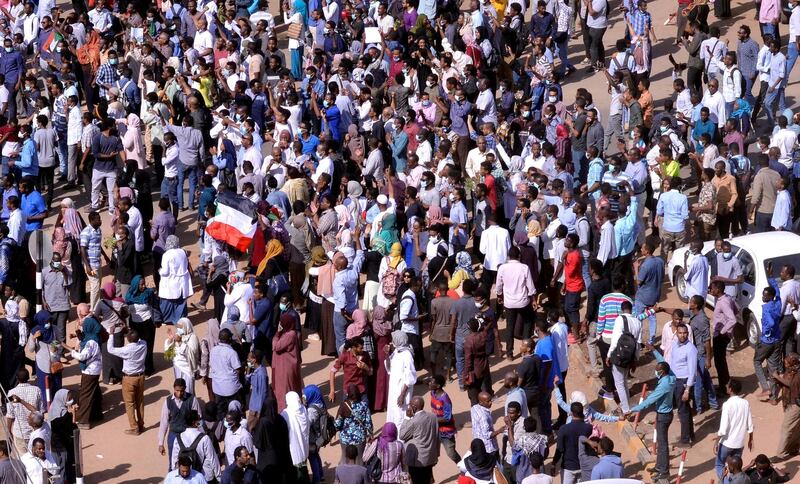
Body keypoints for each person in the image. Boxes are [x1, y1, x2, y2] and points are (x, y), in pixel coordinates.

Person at [625, 350, 676, 482]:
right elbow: (662, 361)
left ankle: (664, 472)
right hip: (665, 414)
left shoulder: (663, 386)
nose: (656, 371)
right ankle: (659, 467)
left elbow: (649, 401)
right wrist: (653, 350)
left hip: (663, 416)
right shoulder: (671, 376)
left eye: (657, 370)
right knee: (661, 442)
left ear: (662, 372)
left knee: (663, 444)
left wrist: (633, 409)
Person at [65, 304, 103, 430]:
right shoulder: (93, 335)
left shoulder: (91, 342)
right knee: (94, 391)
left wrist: (72, 352)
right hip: (95, 369)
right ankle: (97, 414)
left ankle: (83, 420)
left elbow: (83, 356)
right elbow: (84, 338)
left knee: (85, 395)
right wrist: (77, 332)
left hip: (90, 370)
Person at [107, 327, 147, 435]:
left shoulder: (126, 350)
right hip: (141, 377)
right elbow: (140, 339)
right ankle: (141, 424)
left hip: (129, 378)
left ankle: (134, 428)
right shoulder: (143, 344)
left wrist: (111, 334)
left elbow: (110, 349)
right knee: (140, 402)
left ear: (128, 339)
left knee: (129, 404)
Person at [713, 379, 753, 480]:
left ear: (730, 389)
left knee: (719, 465)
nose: (726, 385)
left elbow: (723, 428)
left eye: (727, 385)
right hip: (739, 443)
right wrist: (750, 439)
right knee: (735, 468)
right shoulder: (745, 403)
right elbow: (750, 424)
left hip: (727, 443)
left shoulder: (727, 404)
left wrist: (716, 442)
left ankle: (727, 482)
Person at [157, 379, 203, 465]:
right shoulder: (168, 401)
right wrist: (161, 443)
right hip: (173, 435)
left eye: (181, 391)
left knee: (189, 459)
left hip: (187, 434)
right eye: (177, 390)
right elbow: (164, 423)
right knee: (173, 461)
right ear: (174, 388)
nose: (179, 393)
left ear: (185, 389)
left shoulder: (192, 400)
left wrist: (200, 436)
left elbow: (199, 419)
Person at [170, 410, 221, 482]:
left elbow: (174, 461)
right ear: (194, 422)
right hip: (204, 477)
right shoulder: (204, 438)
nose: (199, 421)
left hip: (186, 478)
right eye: (198, 419)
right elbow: (213, 459)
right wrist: (219, 478)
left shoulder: (178, 438)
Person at [399, 396, 440, 484]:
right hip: (430, 457)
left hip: (417, 460)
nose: (408, 407)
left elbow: (402, 435)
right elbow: (437, 437)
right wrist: (436, 454)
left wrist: (407, 418)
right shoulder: (433, 417)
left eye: (410, 405)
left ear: (414, 407)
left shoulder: (414, 421)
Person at [553, 403, 592, 484]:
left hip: (568, 467)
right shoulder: (589, 428)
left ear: (571, 413)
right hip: (583, 466)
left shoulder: (564, 429)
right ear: (582, 412)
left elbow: (559, 449)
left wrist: (554, 463)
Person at [385, 330, 417, 427]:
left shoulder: (407, 355)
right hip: (394, 389)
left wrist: (402, 395)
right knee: (393, 412)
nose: (391, 341)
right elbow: (389, 368)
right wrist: (387, 354)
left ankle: (401, 439)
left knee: (400, 415)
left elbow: (410, 377)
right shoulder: (396, 351)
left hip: (402, 391)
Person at [164, 318, 200, 397]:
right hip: (178, 368)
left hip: (188, 369)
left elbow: (192, 353)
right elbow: (168, 354)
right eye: (178, 327)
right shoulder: (177, 337)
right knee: (179, 390)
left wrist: (180, 342)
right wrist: (170, 340)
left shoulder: (192, 337)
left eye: (181, 327)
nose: (179, 329)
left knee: (188, 390)